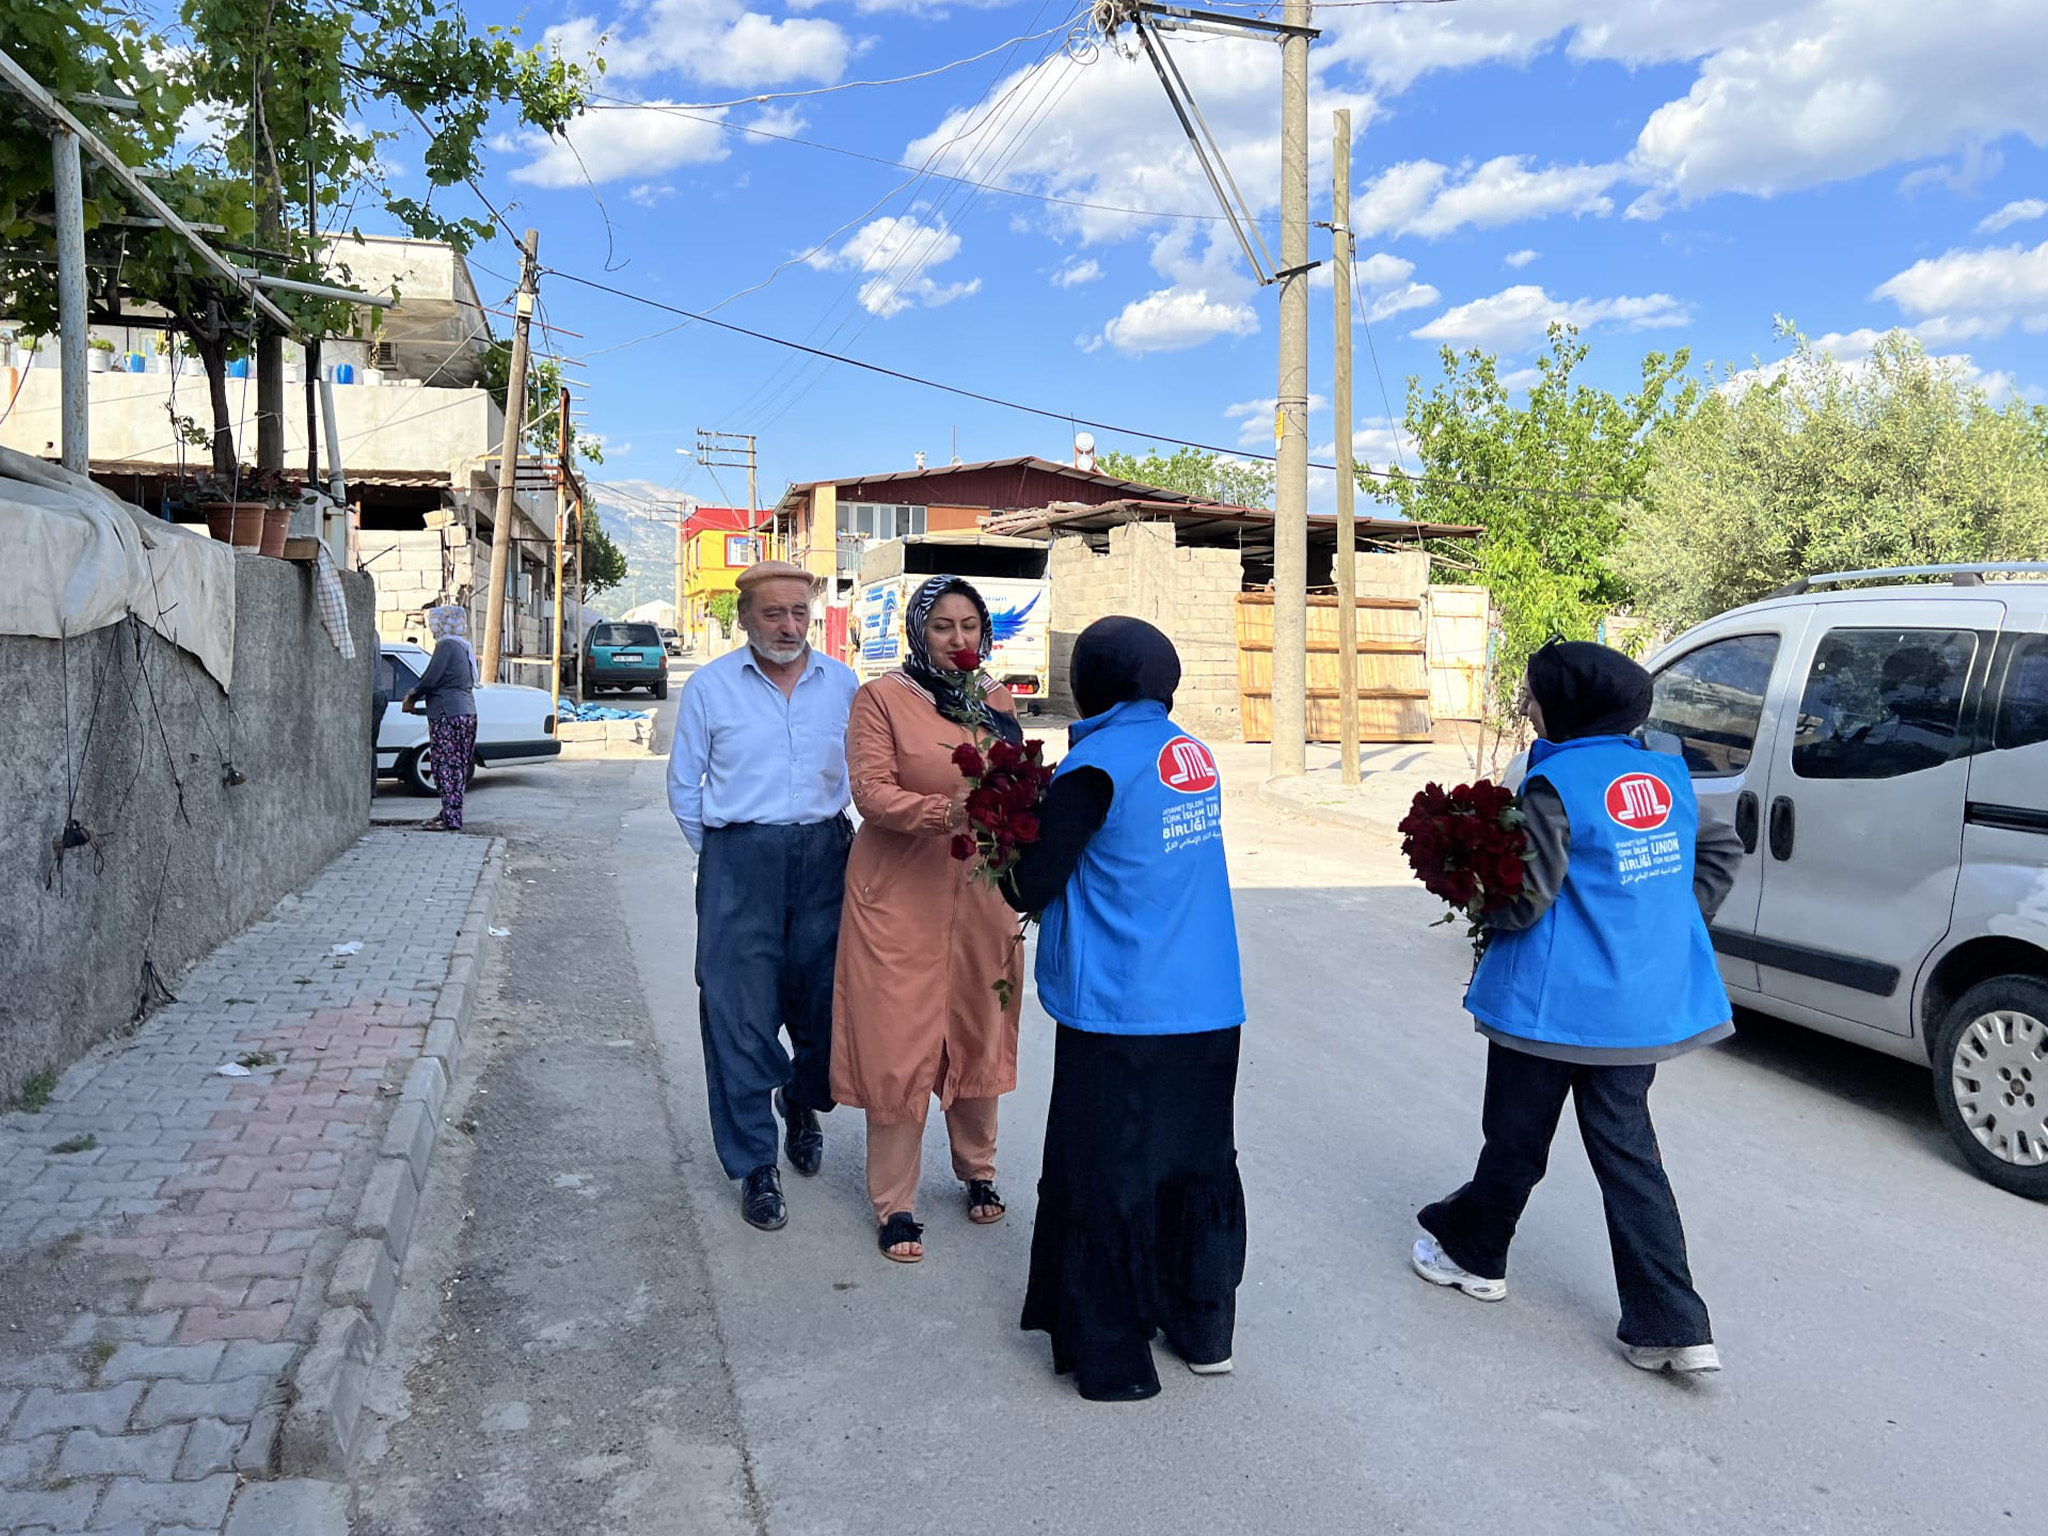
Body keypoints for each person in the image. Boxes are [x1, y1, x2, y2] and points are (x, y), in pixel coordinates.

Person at [1410, 640, 1744, 1375]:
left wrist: (1477, 900)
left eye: (1531, 694)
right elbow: (1720, 853)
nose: (1525, 705)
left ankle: (1477, 1256)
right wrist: (1667, 920)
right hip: (1636, 1011)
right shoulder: (1668, 773)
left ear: (1569, 704)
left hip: (1551, 1009)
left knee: (1516, 1140)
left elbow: (1527, 901)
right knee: (1630, 1158)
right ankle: (1675, 1325)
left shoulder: (1553, 783)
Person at [1002, 617, 1247, 1402]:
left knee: (1106, 1177)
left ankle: (1112, 1356)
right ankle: (1204, 1327)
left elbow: (1026, 884)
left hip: (1123, 1010)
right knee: (1195, 1166)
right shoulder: (1190, 754)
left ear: (1092, 680)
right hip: (1208, 1002)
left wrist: (998, 833)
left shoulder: (1096, 766)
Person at [832, 577, 1026, 1263]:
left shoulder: (996, 699)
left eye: (970, 625)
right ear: (919, 632)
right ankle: (896, 1201)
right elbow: (871, 791)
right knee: (900, 1039)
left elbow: (1018, 781)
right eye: (942, 626)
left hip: (982, 894)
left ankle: (978, 1169)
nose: (958, 639)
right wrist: (947, 812)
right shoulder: (881, 698)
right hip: (898, 895)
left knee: (979, 1024)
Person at [668, 560, 859, 1231]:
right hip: (738, 860)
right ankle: (756, 1165)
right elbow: (684, 785)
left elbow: (865, 775)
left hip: (825, 857)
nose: (788, 626)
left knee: (826, 1004)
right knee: (736, 1013)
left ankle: (801, 1099)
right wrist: (727, 858)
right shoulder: (711, 688)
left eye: (799, 612)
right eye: (773, 613)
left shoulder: (842, 684)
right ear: (744, 616)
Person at [402, 604, 478, 832]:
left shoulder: (446, 646)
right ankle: (449, 812)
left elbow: (431, 679)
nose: (432, 628)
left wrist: (412, 696)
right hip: (466, 712)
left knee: (445, 766)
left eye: (434, 623)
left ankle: (451, 819)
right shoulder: (463, 646)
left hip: (448, 714)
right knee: (458, 767)